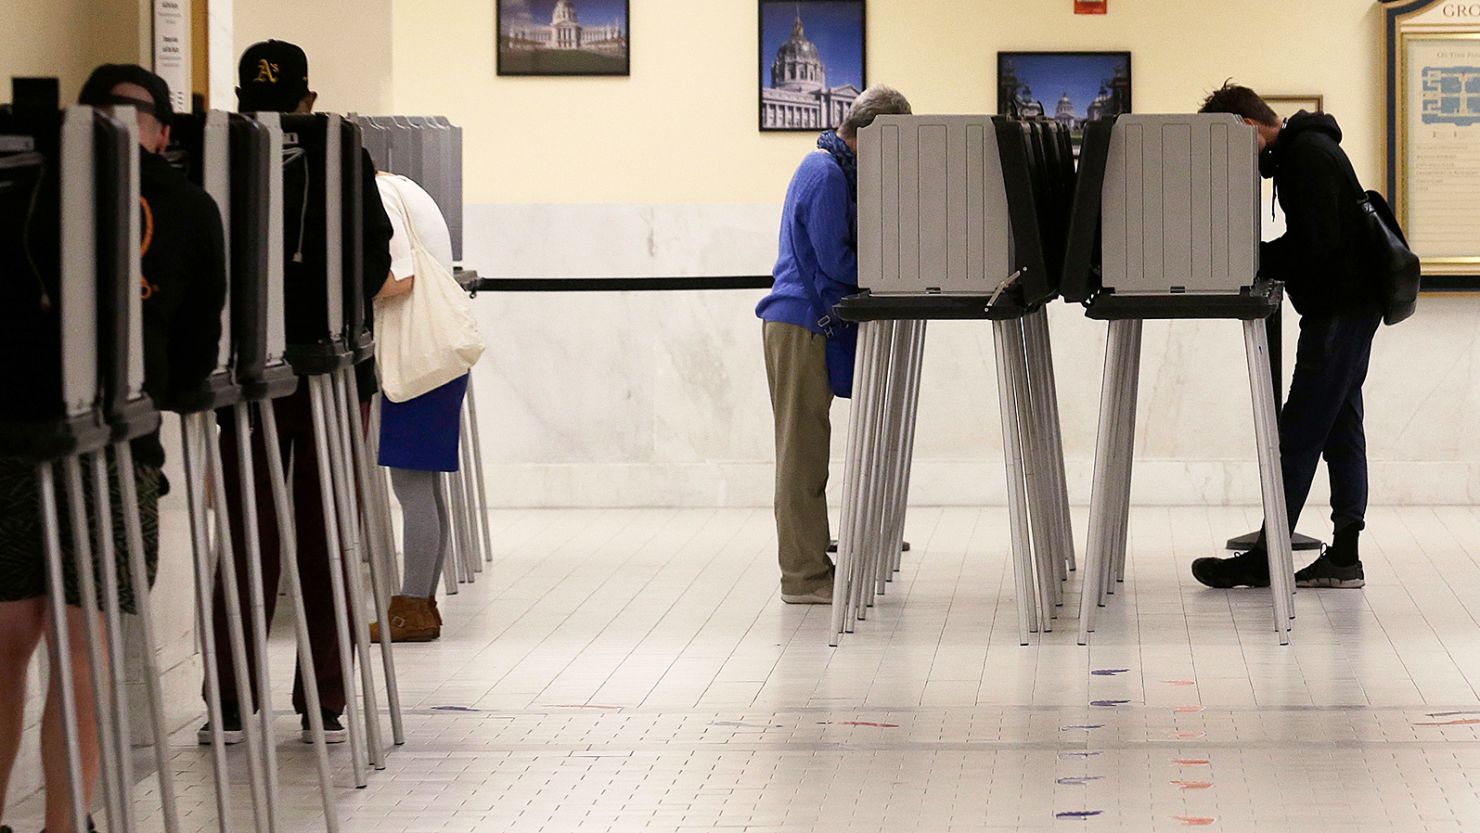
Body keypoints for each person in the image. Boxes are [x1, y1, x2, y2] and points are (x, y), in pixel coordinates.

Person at [0, 64, 225, 833]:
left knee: (8, 642)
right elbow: (196, 356)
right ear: (164, 134)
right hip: (117, 446)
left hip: (10, 438)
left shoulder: (17, 186)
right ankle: (66, 823)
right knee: (86, 645)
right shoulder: (189, 208)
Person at [200, 39, 394, 745]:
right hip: (333, 373)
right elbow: (375, 258)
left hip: (249, 375)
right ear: (310, 99)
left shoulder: (223, 161)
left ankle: (229, 698)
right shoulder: (345, 156)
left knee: (250, 539)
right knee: (326, 539)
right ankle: (325, 699)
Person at [1191, 82, 1383, 591]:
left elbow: (1313, 245)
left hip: (1337, 312)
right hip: (1349, 308)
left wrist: (1248, 255)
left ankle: (1267, 558)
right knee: (1342, 430)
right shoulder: (1312, 149)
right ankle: (1344, 557)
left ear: (1248, 128)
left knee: (1297, 434)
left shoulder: (1304, 157)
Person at [755, 86, 912, 605]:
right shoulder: (825, 173)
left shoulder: (832, 167)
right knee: (801, 456)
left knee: (809, 450)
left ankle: (813, 553)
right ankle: (801, 577)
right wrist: (897, 269)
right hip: (800, 323)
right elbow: (835, 262)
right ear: (874, 134)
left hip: (803, 322)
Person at [367, 171, 475, 643]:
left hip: (416, 357)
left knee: (411, 488)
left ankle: (411, 609)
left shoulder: (381, 195)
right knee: (424, 487)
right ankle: (419, 606)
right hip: (434, 356)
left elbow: (400, 279)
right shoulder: (403, 186)